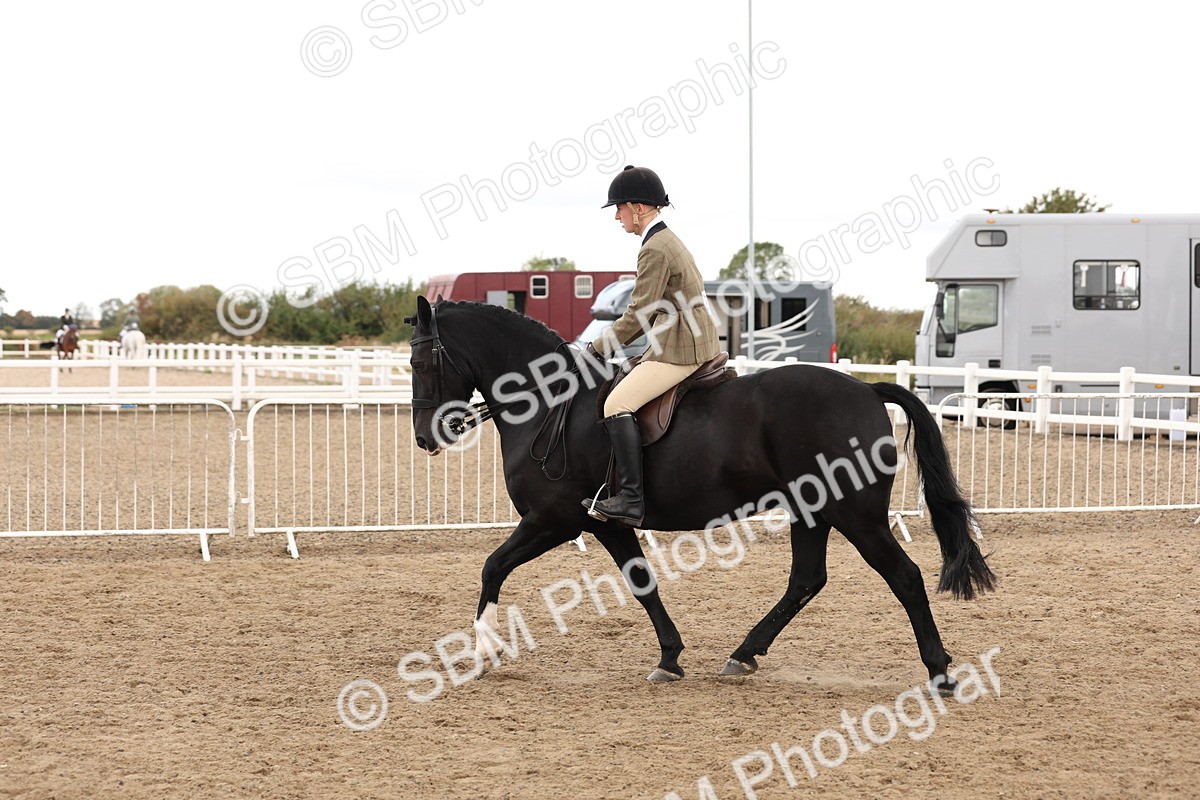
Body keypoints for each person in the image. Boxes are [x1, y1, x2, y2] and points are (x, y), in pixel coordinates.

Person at [581, 165, 720, 527]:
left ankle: (631, 499)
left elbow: (638, 313)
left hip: (682, 348)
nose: (616, 216)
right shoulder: (666, 239)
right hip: (683, 337)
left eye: (619, 208)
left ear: (638, 207)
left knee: (616, 403)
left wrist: (596, 349)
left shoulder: (655, 248)